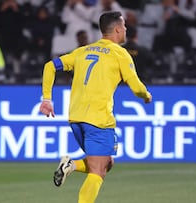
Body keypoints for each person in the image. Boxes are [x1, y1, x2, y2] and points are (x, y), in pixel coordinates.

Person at [39, 11, 152, 203]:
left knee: (106, 162)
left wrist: (47, 99)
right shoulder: (120, 54)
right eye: (124, 27)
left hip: (75, 117)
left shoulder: (83, 51)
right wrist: (147, 96)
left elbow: (50, 66)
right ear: (117, 29)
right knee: (98, 171)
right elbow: (136, 86)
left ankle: (71, 165)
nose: (125, 30)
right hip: (99, 119)